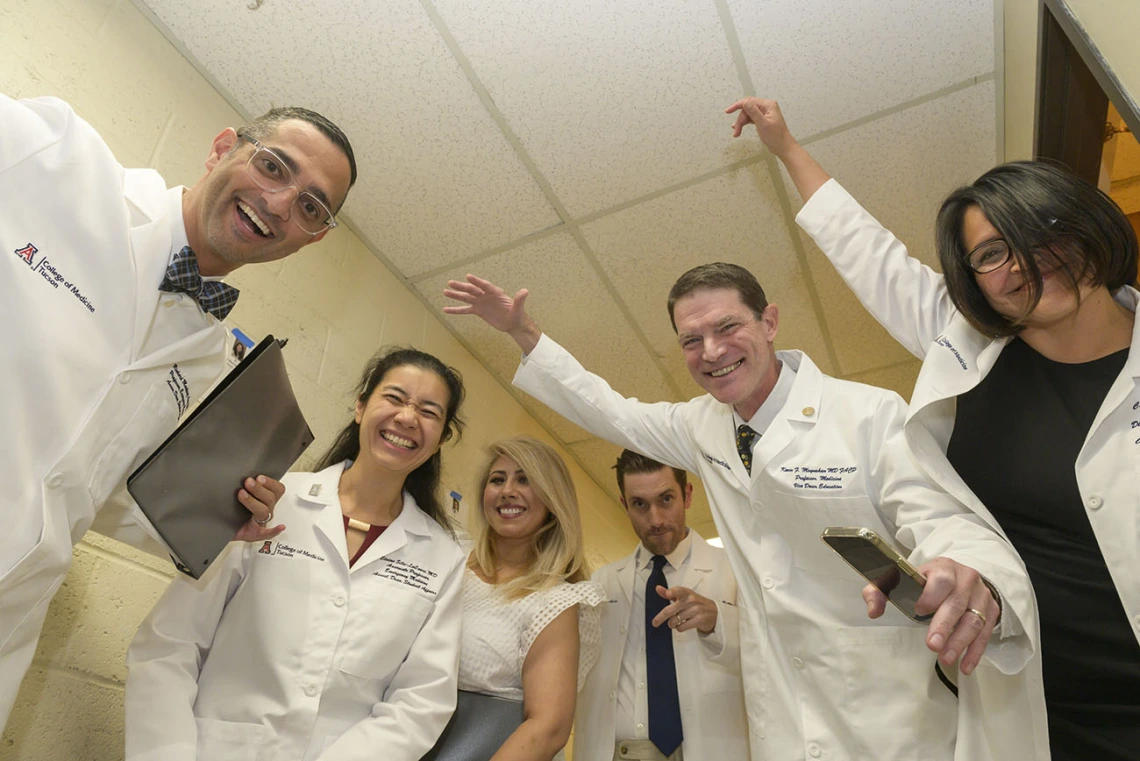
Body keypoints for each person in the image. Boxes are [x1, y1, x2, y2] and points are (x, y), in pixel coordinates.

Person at [443, 269, 1046, 761]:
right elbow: (611, 410)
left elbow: (938, 513)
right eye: (689, 340)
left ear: (770, 321)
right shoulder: (700, 426)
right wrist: (525, 334)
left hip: (888, 703)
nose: (711, 352)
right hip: (779, 704)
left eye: (727, 326)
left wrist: (963, 567)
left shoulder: (866, 414)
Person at [733, 95, 1140, 760]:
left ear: (1091, 223)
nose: (1023, 264)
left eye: (1045, 230)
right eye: (992, 254)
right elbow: (868, 252)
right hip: (1042, 706)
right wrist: (786, 147)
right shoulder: (968, 348)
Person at [0, 93, 356, 727]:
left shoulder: (210, 364)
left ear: (313, 238)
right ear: (222, 148)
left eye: (310, 206)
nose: (278, 204)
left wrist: (215, 519)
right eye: (274, 166)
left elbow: (94, 487)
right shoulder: (54, 156)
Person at [124, 348, 468, 761]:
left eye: (429, 412)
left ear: (441, 439)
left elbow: (420, 704)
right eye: (394, 398)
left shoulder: (442, 560)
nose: (408, 418)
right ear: (360, 407)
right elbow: (171, 644)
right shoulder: (266, 501)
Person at [575, 450, 747, 761]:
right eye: (640, 504)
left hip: (709, 750)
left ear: (688, 495)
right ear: (624, 504)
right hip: (621, 753)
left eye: (666, 499)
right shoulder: (604, 582)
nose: (655, 520)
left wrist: (718, 620)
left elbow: (772, 657)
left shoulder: (735, 570)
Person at [451, 436, 604, 761]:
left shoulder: (555, 601)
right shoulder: (450, 559)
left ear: (552, 500)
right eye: (497, 480)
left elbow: (548, 728)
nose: (508, 490)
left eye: (525, 479)